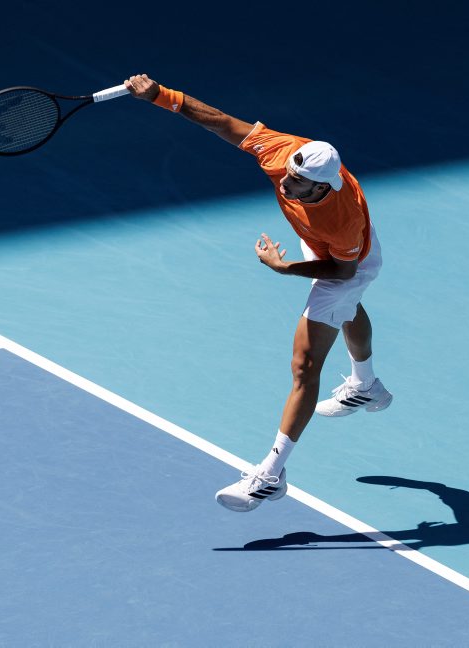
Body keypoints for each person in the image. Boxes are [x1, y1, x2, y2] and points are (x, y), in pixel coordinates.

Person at [124, 74, 394, 512]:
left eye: (299, 183)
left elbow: (343, 272)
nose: (286, 182)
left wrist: (285, 268)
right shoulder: (286, 155)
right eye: (290, 174)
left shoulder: (340, 219)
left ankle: (270, 475)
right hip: (324, 246)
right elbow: (219, 121)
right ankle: (367, 386)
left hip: (349, 262)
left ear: (322, 187)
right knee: (347, 309)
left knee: (305, 366)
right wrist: (159, 95)